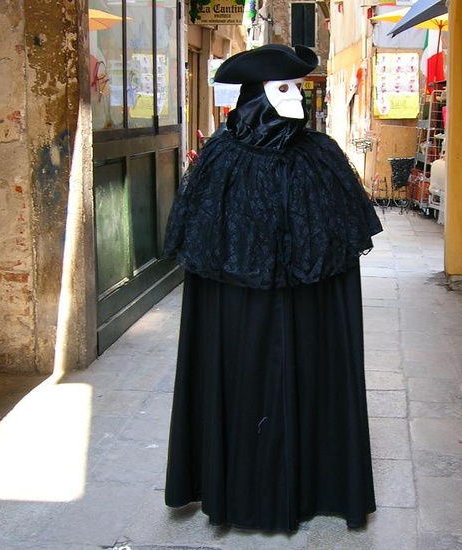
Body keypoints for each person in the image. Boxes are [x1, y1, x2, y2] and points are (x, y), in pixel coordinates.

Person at [163, 44, 382, 532]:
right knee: (243, 381)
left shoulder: (320, 156)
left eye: (298, 88)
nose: (295, 99)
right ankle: (239, 489)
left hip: (307, 311)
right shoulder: (221, 160)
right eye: (283, 88)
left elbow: (341, 253)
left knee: (308, 377)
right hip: (239, 310)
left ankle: (316, 485)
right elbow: (206, 254)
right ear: (254, 96)